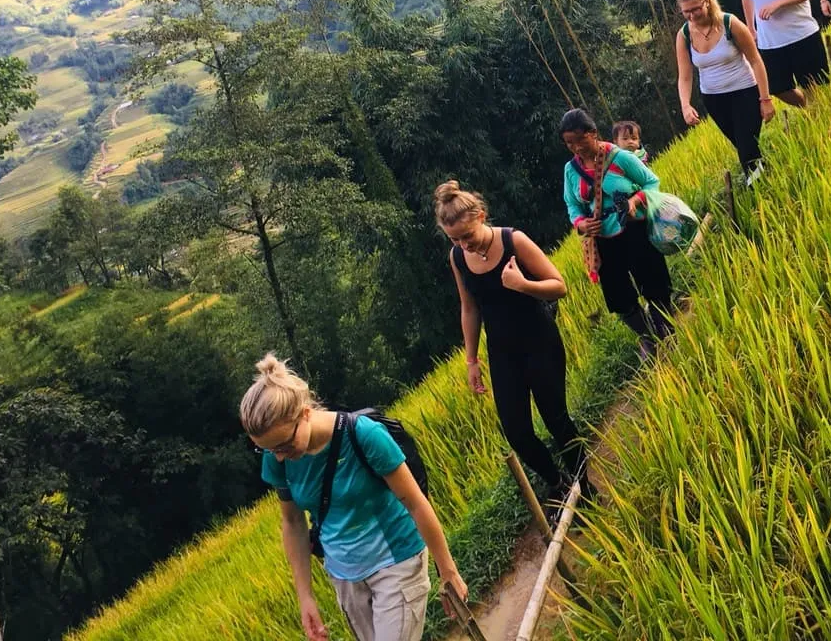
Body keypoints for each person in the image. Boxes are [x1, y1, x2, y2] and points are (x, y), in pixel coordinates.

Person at [241, 354, 469, 641]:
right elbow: (293, 523)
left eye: (285, 444)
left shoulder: (363, 435)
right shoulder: (278, 458)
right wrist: (305, 598)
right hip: (345, 577)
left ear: (305, 413)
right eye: (267, 449)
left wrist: (448, 571)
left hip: (397, 560)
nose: (279, 456)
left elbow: (415, 502)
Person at [435, 181, 589, 510]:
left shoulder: (512, 240)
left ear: (482, 216)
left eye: (468, 236)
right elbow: (469, 308)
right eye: (455, 239)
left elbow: (559, 286)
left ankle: (587, 488)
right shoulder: (457, 258)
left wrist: (522, 284)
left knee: (556, 420)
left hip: (539, 340)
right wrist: (471, 360)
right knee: (517, 434)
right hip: (503, 353)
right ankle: (557, 483)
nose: (463, 244)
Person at [561, 109, 672, 358]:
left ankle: (665, 328)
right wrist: (580, 224)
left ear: (593, 133)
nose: (576, 147)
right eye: (570, 143)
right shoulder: (570, 171)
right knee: (618, 294)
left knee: (652, 280)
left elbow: (651, 182)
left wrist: (635, 201)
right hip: (602, 238)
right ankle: (647, 336)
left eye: (580, 140)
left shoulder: (619, 157)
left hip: (634, 228)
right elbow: (572, 204)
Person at [674, 0, 775, 184]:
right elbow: (684, 75)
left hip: (744, 91)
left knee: (746, 146)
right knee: (742, 144)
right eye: (686, 12)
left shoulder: (730, 23)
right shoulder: (684, 35)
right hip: (714, 99)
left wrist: (765, 99)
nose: (691, 16)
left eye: (695, 9)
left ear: (706, 1)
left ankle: (756, 187)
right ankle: (765, 174)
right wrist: (685, 105)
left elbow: (756, 61)